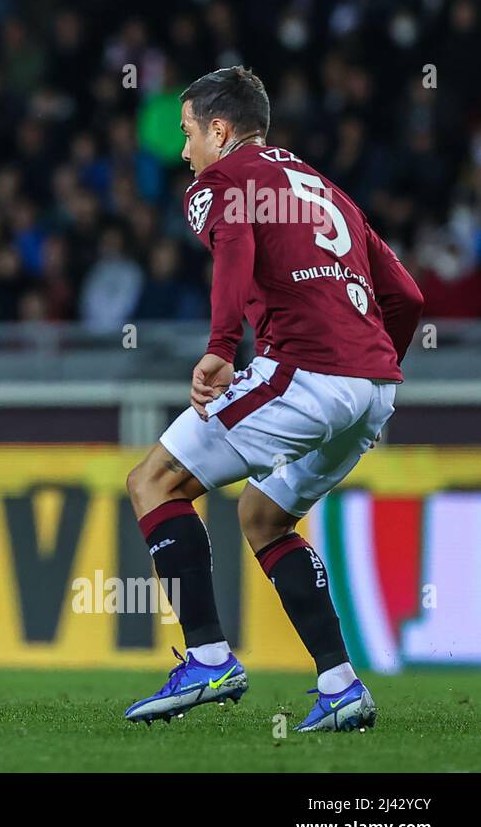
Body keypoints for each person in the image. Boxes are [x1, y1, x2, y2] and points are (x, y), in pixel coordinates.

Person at [123, 66, 424, 732]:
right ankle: (342, 684)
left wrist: (221, 347)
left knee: (153, 481)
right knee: (263, 517)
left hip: (308, 374)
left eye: (188, 132)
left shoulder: (222, 181)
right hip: (373, 391)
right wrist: (370, 373)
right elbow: (407, 296)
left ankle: (207, 657)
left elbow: (232, 244)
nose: (184, 152)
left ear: (220, 129)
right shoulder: (328, 191)